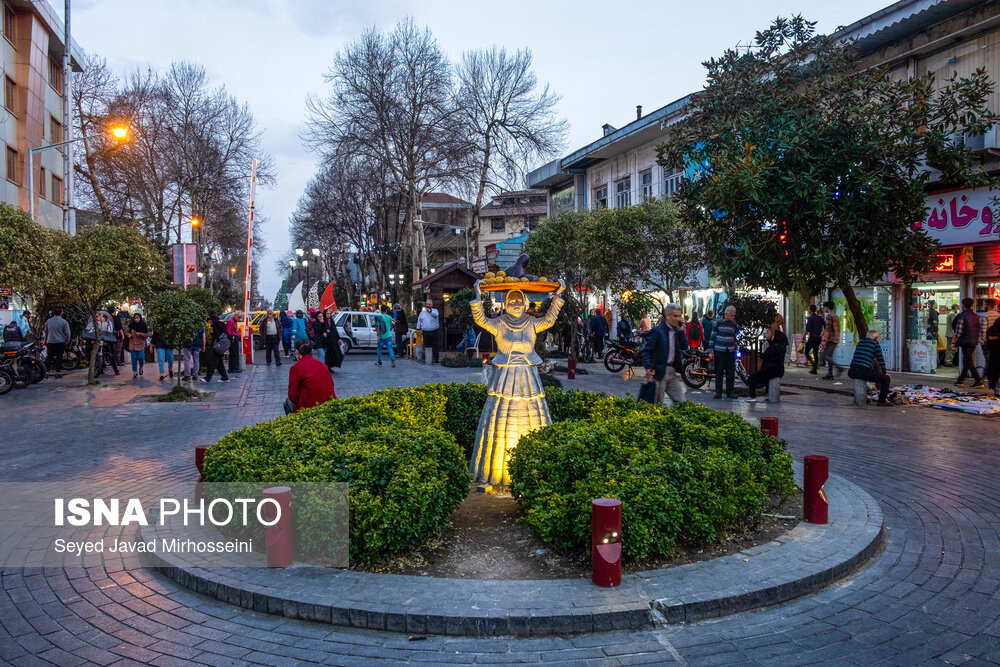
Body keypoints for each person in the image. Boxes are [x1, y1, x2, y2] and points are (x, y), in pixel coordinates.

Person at [469, 280, 566, 485]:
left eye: (519, 300)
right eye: (511, 300)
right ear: (505, 303)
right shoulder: (499, 323)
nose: (515, 304)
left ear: (525, 302)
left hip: (528, 376)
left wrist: (558, 296)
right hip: (504, 376)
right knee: (500, 416)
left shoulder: (532, 322)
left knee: (533, 417)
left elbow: (549, 319)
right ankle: (496, 469)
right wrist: (478, 296)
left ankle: (534, 469)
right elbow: (480, 319)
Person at [641, 304, 689, 406]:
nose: (677, 319)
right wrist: (648, 367)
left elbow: (685, 346)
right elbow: (647, 351)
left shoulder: (676, 331)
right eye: (674, 316)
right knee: (657, 404)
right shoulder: (658, 331)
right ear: (667, 316)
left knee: (681, 402)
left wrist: (681, 332)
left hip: (672, 371)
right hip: (659, 372)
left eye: (679, 316)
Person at [746, 315, 788, 402]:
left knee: (752, 378)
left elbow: (764, 356)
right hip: (777, 370)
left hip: (771, 370)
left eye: (768, 332)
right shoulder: (780, 345)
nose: (766, 334)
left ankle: (752, 396)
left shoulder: (774, 347)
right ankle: (767, 394)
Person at [287, 339, 335, 413]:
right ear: (311, 351)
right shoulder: (323, 365)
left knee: (288, 404)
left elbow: (293, 396)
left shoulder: (296, 368)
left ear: (297, 352)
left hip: (308, 408)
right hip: (328, 405)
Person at [849, 329, 892, 406]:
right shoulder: (874, 344)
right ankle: (882, 401)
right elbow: (880, 360)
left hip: (852, 371)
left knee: (871, 375)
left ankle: (867, 398)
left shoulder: (860, 342)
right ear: (876, 338)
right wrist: (885, 373)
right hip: (863, 370)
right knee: (886, 379)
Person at [708, 305, 739, 399]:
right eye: (731, 315)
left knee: (730, 372)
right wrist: (711, 351)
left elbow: (735, 336)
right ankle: (718, 392)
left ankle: (730, 391)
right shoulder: (717, 322)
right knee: (719, 371)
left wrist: (735, 348)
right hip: (719, 350)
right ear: (726, 314)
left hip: (730, 350)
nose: (733, 317)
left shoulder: (733, 324)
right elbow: (712, 337)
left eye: (734, 315)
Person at [952, 297, 982, 387]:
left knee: (968, 361)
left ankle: (978, 380)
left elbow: (958, 332)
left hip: (965, 342)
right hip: (973, 341)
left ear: (963, 305)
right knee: (967, 360)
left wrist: (954, 342)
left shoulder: (962, 316)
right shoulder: (976, 316)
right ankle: (960, 380)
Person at [201, 315, 230, 383]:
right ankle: (224, 377)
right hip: (220, 347)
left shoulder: (215, 325)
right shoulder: (221, 325)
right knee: (220, 364)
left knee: (212, 362)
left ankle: (207, 378)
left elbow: (215, 337)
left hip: (216, 347)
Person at [43, 308, 71, 374]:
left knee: (49, 356)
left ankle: (47, 371)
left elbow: (46, 332)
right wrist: (67, 340)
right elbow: (67, 333)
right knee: (59, 357)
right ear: (61, 313)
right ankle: (57, 371)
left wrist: (45, 340)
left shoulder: (48, 321)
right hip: (60, 342)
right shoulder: (64, 322)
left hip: (50, 341)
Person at [821, 301, 844, 379]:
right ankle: (830, 374)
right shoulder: (835, 316)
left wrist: (824, 340)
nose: (824, 309)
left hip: (831, 339)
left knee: (825, 355)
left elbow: (828, 329)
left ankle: (839, 368)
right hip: (836, 338)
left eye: (824, 307)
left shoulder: (829, 316)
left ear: (827, 307)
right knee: (829, 356)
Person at [125, 313, 150, 379]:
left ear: (140, 318)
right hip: (132, 344)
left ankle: (141, 367)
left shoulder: (143, 325)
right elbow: (127, 332)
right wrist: (129, 335)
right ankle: (135, 372)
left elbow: (147, 335)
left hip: (140, 344)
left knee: (141, 357)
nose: (136, 319)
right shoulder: (131, 325)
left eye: (137, 318)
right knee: (134, 359)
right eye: (135, 318)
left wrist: (140, 334)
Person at [804, 304, 825, 373]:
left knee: (806, 352)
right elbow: (825, 327)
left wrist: (804, 337)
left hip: (812, 337)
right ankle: (814, 368)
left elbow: (807, 329)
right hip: (818, 337)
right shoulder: (820, 318)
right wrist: (822, 334)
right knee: (815, 353)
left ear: (810, 310)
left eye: (809, 309)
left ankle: (814, 365)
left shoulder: (810, 318)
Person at [980, 298, 999, 369]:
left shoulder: (985, 315)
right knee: (994, 359)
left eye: (984, 304)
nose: (983, 306)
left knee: (987, 360)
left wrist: (982, 341)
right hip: (996, 341)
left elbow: (983, 330)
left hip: (987, 341)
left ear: (988, 305)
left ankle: (985, 376)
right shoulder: (998, 315)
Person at [985, 316, 1000, 398]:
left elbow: (988, 342)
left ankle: (997, 389)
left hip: (995, 354)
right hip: (996, 353)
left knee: (996, 372)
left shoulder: (992, 329)